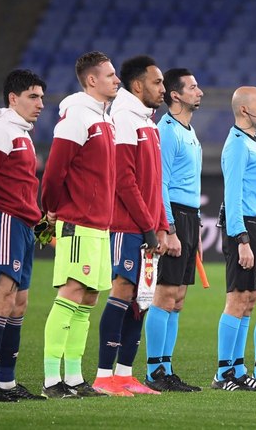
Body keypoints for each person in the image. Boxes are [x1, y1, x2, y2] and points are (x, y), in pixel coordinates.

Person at [41, 51, 119, 398]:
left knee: (88, 298)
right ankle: (50, 380)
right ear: (91, 80)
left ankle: (73, 378)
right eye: (110, 75)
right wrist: (53, 209)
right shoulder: (76, 117)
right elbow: (54, 171)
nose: (116, 80)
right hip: (77, 222)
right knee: (72, 292)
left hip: (100, 224)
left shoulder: (105, 119)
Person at [94, 55, 168, 396]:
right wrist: (148, 226)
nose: (163, 89)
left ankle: (124, 375)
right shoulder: (124, 116)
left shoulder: (148, 122)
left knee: (142, 298)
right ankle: (102, 376)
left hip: (146, 226)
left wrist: (162, 225)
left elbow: (154, 183)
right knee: (123, 291)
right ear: (138, 85)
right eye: (157, 82)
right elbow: (124, 180)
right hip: (126, 224)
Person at [0, 69, 47, 401]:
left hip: (23, 224)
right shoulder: (1, 131)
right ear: (13, 98)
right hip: (4, 220)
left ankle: (6, 382)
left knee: (19, 304)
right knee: (3, 299)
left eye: (42, 97)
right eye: (33, 96)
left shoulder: (21, 132)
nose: (41, 103)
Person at [212, 86, 256, 391]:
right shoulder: (237, 144)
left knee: (250, 299)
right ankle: (223, 373)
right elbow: (233, 195)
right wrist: (242, 239)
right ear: (244, 110)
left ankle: (238, 369)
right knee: (237, 298)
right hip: (245, 229)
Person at [144, 68, 204, 392]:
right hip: (174, 217)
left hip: (189, 216)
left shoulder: (189, 131)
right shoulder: (165, 130)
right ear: (175, 94)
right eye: (193, 87)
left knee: (178, 298)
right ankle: (155, 372)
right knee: (165, 294)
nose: (200, 92)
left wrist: (193, 230)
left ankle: (166, 369)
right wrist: (168, 228)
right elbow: (161, 183)